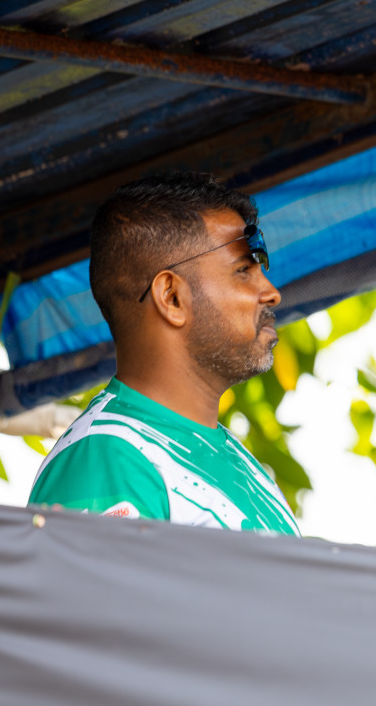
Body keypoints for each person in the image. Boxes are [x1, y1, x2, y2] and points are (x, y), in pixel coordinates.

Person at [29, 173, 300, 536]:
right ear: (171, 297)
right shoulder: (108, 456)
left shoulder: (246, 468)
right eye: (243, 271)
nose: (270, 292)